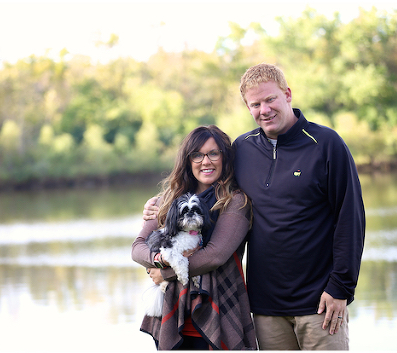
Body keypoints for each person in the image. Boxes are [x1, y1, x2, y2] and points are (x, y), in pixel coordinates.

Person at [144, 63, 366, 350]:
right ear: (248, 107)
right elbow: (207, 188)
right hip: (265, 306)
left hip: (320, 302)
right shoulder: (243, 149)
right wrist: (159, 206)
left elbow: (351, 220)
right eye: (255, 104)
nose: (264, 110)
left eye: (270, 99)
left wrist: (341, 287)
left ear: (287, 94)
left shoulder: (326, 144)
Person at [131, 125, 257, 350]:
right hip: (174, 314)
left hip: (219, 309)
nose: (205, 161)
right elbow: (138, 248)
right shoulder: (168, 200)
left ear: (225, 157)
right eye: (197, 155)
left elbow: (214, 256)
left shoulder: (235, 201)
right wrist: (160, 261)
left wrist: (165, 273)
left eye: (213, 153)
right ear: (187, 160)